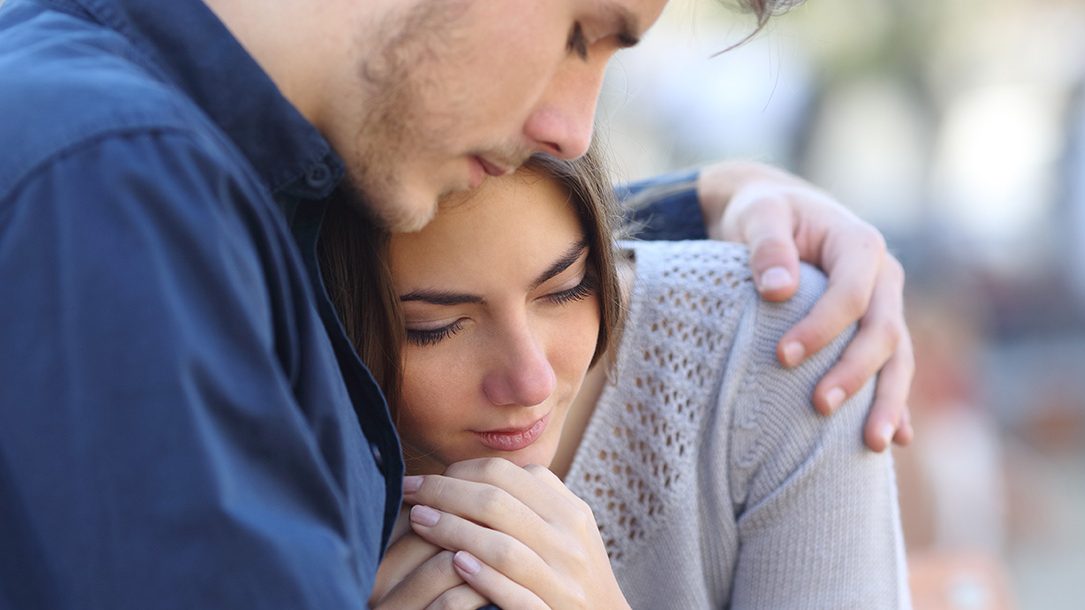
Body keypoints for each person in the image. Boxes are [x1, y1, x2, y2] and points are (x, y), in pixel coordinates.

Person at [0, 0, 911, 607]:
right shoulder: (116, 189)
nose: (572, 128)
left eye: (568, 285)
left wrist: (708, 202)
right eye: (580, 32)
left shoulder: (179, 162)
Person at [331, 149, 910, 609]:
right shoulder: (278, 429)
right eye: (434, 328)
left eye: (567, 288)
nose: (531, 382)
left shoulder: (775, 350)